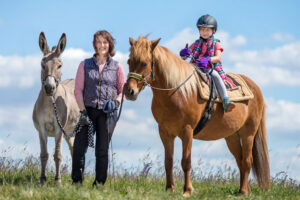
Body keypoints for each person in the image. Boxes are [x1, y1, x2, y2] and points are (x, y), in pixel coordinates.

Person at [72, 30, 125, 186]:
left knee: (102, 150)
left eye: (105, 42)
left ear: (110, 45)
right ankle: (77, 181)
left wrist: (116, 102)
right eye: (99, 42)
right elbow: (77, 90)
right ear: (95, 44)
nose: (102, 45)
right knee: (79, 147)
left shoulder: (117, 67)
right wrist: (82, 111)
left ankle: (99, 183)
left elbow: (122, 91)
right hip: (87, 110)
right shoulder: (84, 64)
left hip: (107, 113)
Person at [180, 14, 235, 112]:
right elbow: (185, 56)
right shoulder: (196, 43)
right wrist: (184, 53)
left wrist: (208, 59)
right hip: (195, 66)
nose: (204, 32)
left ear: (213, 31)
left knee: (216, 76)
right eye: (202, 30)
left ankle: (225, 99)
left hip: (209, 67)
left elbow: (218, 58)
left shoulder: (216, 43)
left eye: (207, 30)